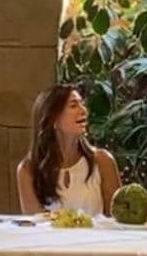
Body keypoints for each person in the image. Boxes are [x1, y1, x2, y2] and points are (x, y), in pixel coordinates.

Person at [17, 85, 121, 216]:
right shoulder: (28, 170)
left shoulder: (103, 161)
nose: (83, 110)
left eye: (82, 104)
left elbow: (116, 220)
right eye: (73, 106)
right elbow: (35, 223)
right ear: (53, 119)